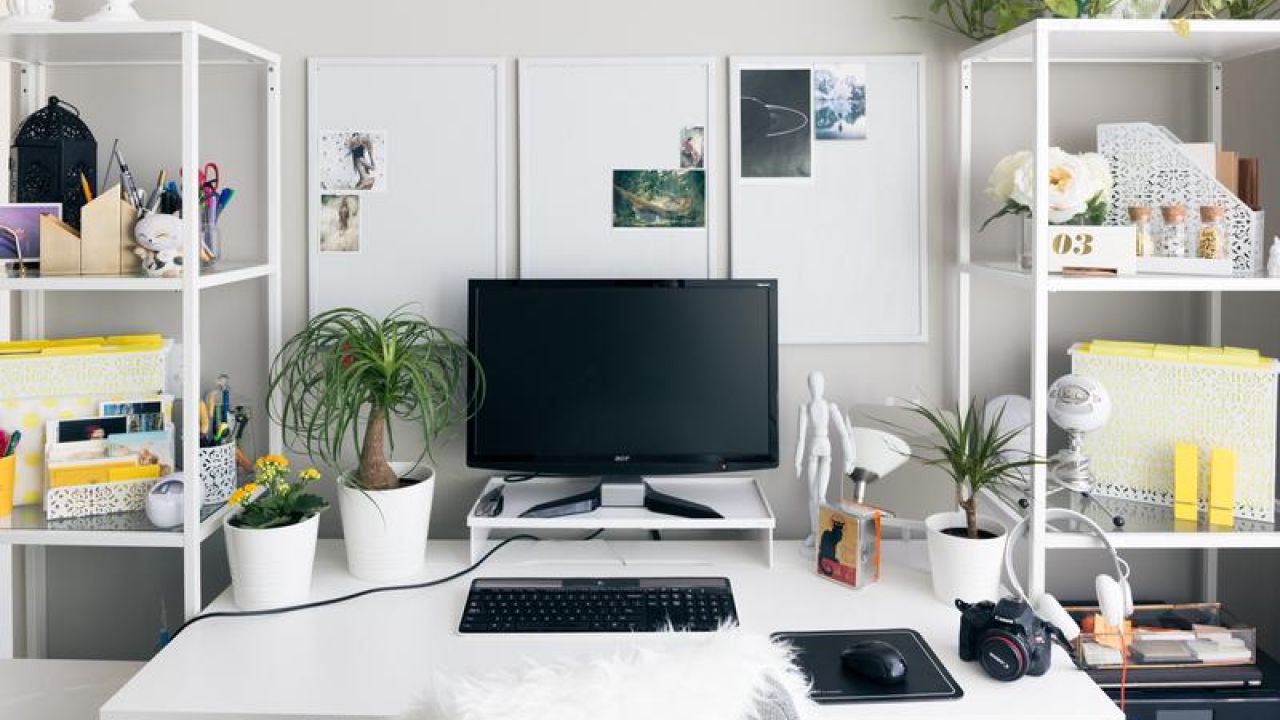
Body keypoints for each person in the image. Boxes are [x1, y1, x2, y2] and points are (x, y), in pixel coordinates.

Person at [793, 371, 855, 548]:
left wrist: (849, 457)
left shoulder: (830, 407)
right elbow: (801, 437)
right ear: (809, 387)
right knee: (812, 497)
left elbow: (844, 433)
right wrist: (797, 462)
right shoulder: (805, 408)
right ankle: (815, 533)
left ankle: (821, 533)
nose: (815, 388)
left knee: (821, 496)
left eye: (817, 384)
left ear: (822, 386)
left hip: (825, 449)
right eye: (812, 385)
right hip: (813, 451)